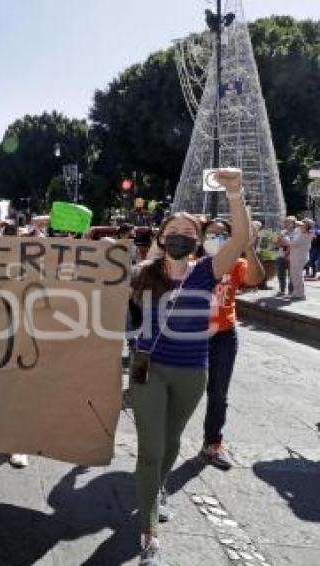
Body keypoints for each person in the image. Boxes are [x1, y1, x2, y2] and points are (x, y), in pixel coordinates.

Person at [129, 169, 251, 566]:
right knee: (150, 448)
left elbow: (239, 240)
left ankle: (160, 486)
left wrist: (234, 193)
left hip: (191, 371)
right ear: (162, 237)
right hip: (147, 366)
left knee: (173, 441)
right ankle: (150, 535)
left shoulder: (206, 271)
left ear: (196, 241)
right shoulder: (142, 274)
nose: (181, 234)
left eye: (188, 230)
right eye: (173, 229)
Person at [199, 219, 265, 471]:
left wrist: (248, 248)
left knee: (218, 393)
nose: (216, 238)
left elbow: (255, 277)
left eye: (223, 234)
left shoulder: (236, 263)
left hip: (223, 336)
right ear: (202, 237)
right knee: (179, 392)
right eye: (211, 234)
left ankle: (212, 443)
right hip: (190, 336)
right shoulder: (192, 263)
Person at [282, 219, 313, 299]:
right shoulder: (300, 232)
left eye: (303, 225)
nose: (300, 226)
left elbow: (292, 244)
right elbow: (296, 224)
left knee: (297, 275)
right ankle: (296, 292)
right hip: (296, 257)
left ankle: (301, 294)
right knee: (294, 275)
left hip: (300, 257)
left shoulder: (306, 235)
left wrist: (286, 239)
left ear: (306, 226)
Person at [275, 217, 297, 296]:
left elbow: (295, 244)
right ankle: (282, 290)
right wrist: (279, 240)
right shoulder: (282, 232)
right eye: (285, 222)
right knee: (280, 274)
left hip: (292, 256)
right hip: (281, 255)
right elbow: (276, 244)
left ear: (293, 223)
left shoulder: (297, 232)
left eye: (288, 222)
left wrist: (287, 243)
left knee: (292, 275)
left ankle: (291, 291)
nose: (286, 223)